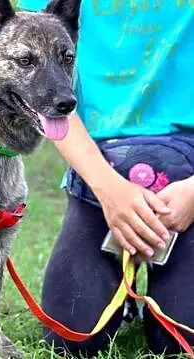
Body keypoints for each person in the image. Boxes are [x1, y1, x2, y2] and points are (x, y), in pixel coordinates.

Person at [17, 0, 194, 356]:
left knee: (182, 342)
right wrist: (109, 190)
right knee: (70, 339)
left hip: (188, 181)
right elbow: (49, 99)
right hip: (98, 179)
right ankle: (121, 288)